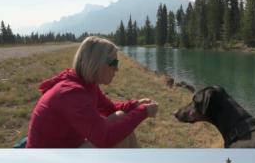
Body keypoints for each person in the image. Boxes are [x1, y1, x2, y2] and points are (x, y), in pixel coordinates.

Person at [26, 36, 159, 148]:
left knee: (120, 117)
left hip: (67, 149)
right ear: (97, 63)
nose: (117, 69)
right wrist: (143, 112)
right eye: (114, 63)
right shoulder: (71, 92)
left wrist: (134, 105)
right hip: (50, 160)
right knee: (119, 135)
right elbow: (104, 138)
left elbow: (110, 109)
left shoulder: (87, 85)